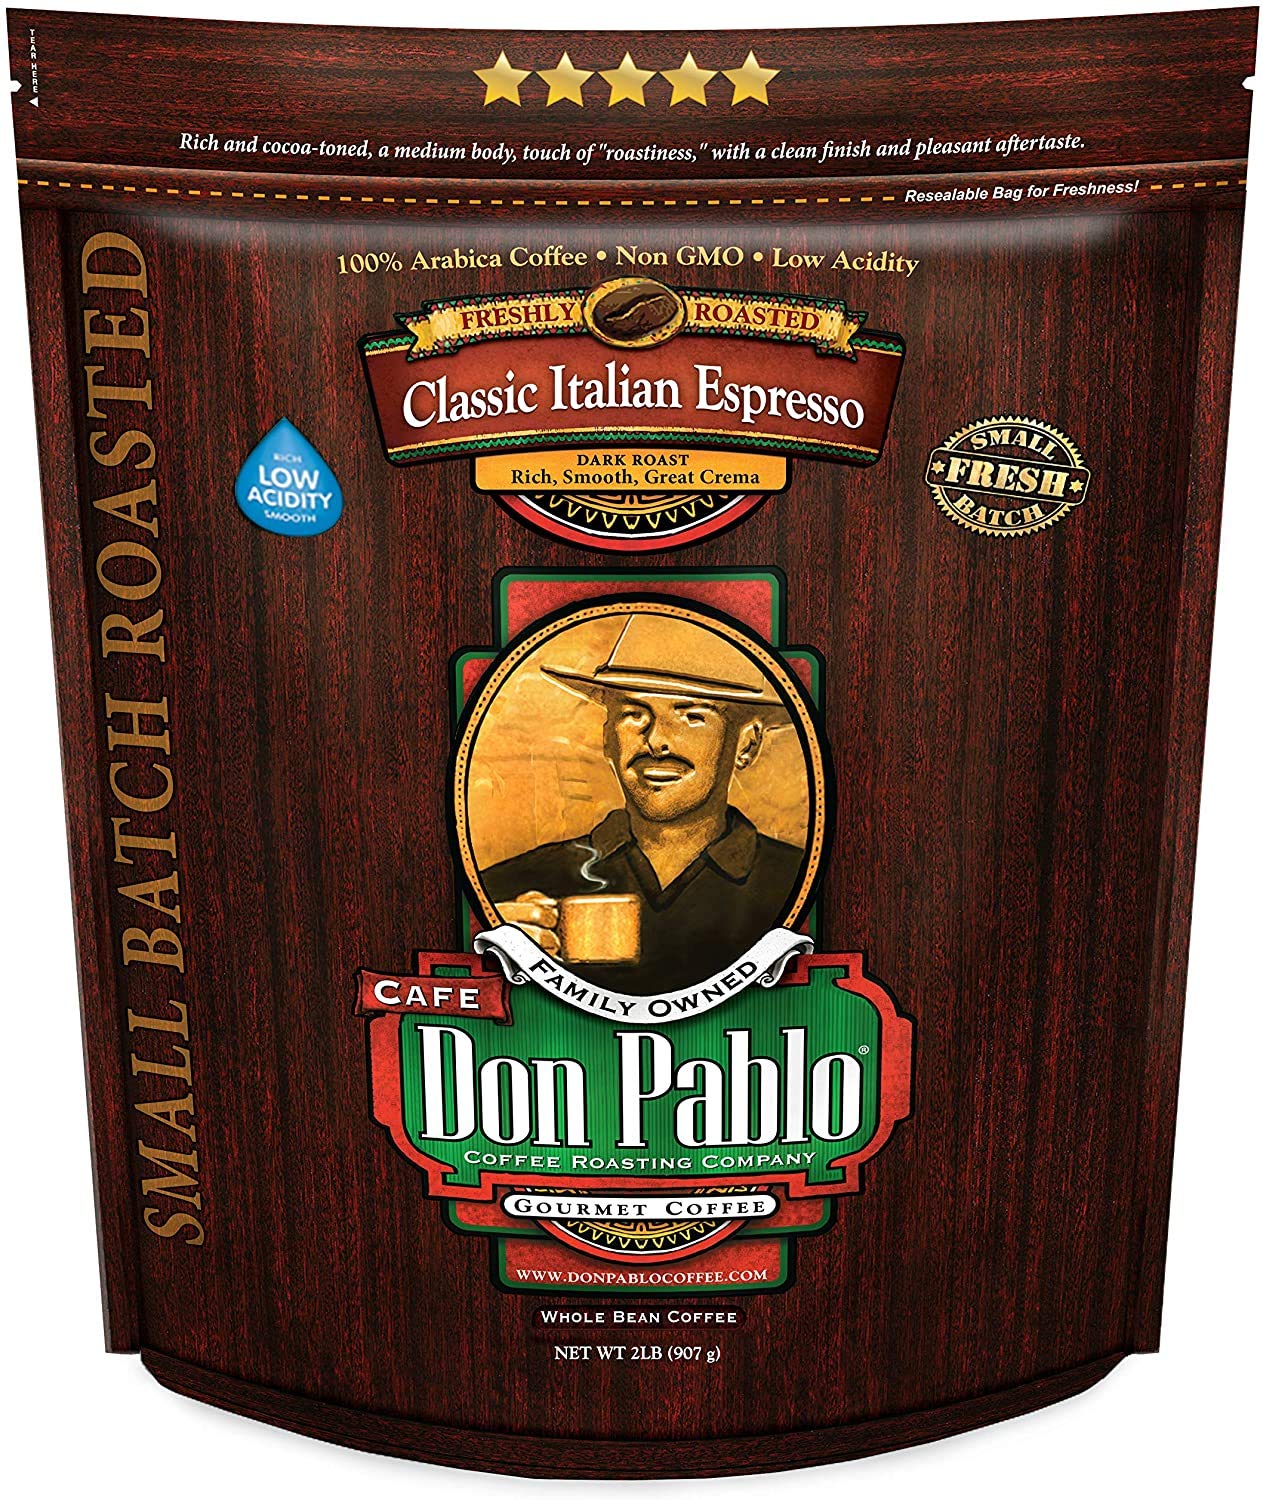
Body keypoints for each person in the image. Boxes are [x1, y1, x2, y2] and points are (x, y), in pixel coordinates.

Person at [482, 614, 806, 995]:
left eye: (691, 716)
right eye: (633, 714)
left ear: (747, 743)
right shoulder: (512, 887)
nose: (656, 741)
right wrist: (491, 955)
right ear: (607, 737)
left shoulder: (795, 883)